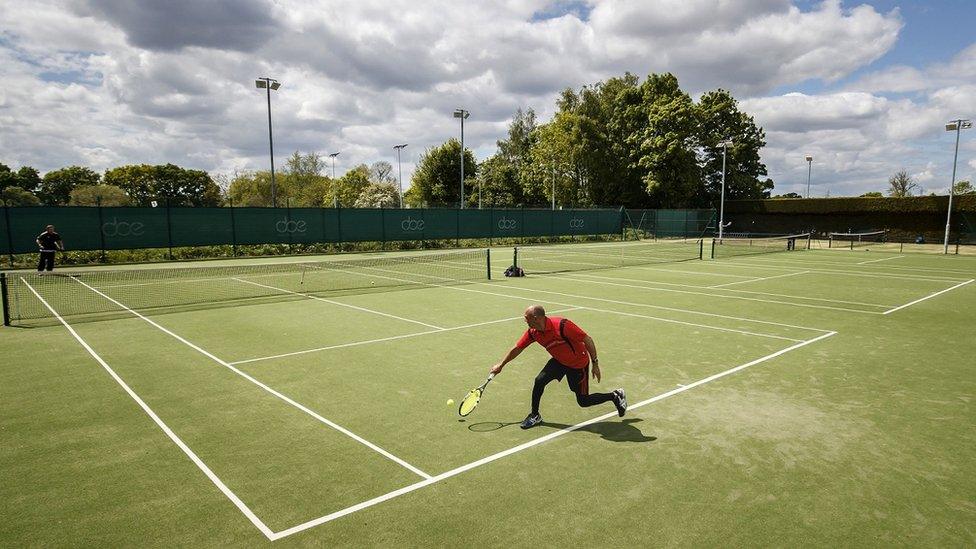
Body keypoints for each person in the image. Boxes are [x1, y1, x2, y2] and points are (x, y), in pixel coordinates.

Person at [490, 304, 627, 429]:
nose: (525, 321)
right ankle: (535, 415)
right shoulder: (533, 332)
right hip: (559, 361)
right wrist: (501, 365)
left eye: (527, 318)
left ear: (536, 318)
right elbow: (518, 348)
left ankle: (615, 395)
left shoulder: (562, 325)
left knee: (583, 401)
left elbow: (587, 340)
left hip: (578, 364)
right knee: (539, 381)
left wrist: (595, 364)